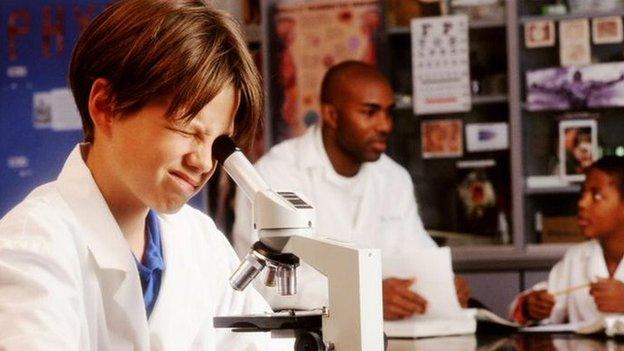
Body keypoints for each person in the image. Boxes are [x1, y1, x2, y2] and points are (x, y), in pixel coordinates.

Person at [0, 1, 290, 349]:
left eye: (218, 143)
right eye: (187, 129)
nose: (203, 162)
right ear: (106, 105)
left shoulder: (199, 239)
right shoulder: (33, 244)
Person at [232, 60, 470, 320]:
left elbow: (417, 253)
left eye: (389, 113)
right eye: (370, 112)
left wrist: (444, 285)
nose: (385, 126)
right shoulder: (274, 175)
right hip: (303, 338)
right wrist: (364, 296)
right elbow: (264, 281)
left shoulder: (393, 178)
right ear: (332, 115)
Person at [511, 156, 624, 325]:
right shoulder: (576, 258)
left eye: (597, 195)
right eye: (583, 193)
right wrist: (531, 307)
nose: (582, 203)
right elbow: (540, 307)